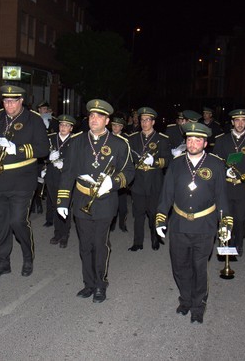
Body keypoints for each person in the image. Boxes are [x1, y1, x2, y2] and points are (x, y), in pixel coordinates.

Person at [56, 99, 135, 303]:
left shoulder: (119, 143)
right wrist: (63, 200)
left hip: (105, 200)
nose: (93, 119)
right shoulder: (77, 141)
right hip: (82, 198)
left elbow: (129, 172)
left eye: (99, 116)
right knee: (85, 245)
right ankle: (88, 283)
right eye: (91, 115)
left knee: (100, 244)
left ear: (107, 120)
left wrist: (114, 181)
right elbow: (68, 173)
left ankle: (100, 284)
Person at [154, 122, 231, 324]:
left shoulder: (215, 164)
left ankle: (198, 305)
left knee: (199, 267)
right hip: (179, 224)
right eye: (190, 139)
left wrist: (226, 223)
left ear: (205, 143)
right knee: (179, 266)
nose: (193, 143)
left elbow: (222, 196)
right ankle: (185, 299)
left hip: (204, 225)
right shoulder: (177, 163)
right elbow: (167, 193)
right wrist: (161, 217)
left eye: (198, 140)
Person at [0, 85, 49, 278]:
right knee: (1, 223)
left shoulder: (33, 119)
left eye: (13, 101)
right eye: (5, 101)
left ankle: (27, 256)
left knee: (18, 221)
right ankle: (3, 262)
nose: (9, 105)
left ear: (21, 101)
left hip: (22, 181)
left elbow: (43, 148)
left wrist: (19, 149)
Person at [212, 109, 245, 257]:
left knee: (240, 219)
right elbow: (215, 163)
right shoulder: (222, 140)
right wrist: (223, 171)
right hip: (226, 187)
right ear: (232, 122)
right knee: (225, 218)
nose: (240, 124)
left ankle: (238, 243)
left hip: (243, 187)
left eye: (243, 120)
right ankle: (225, 243)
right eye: (237, 120)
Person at [127, 106, 170, 251]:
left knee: (153, 213)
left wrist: (155, 162)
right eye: (142, 120)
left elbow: (168, 160)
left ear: (153, 122)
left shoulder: (162, 139)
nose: (144, 123)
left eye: (147, 120)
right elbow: (128, 159)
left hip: (154, 181)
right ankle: (137, 242)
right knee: (138, 214)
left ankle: (154, 239)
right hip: (138, 181)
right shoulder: (132, 138)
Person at [45, 114, 76, 248]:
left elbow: (78, 160)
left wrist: (66, 164)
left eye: (67, 125)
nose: (63, 127)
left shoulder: (75, 141)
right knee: (54, 205)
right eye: (62, 125)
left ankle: (65, 235)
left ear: (71, 128)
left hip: (66, 179)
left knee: (65, 205)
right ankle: (57, 233)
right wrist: (48, 158)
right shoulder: (51, 138)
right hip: (52, 176)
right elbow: (42, 153)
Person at [109, 115, 129, 232]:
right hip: (108, 173)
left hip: (120, 173)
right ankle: (111, 224)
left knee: (122, 203)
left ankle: (122, 223)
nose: (116, 127)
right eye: (114, 125)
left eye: (118, 126)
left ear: (122, 127)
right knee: (110, 202)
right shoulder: (107, 137)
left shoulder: (126, 139)